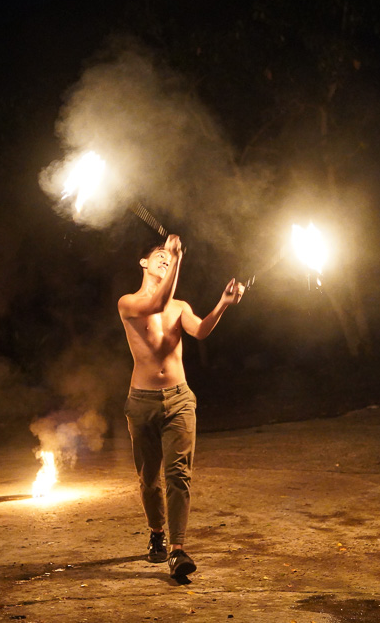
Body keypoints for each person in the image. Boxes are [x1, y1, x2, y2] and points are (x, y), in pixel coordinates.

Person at [118, 234, 245, 579]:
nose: (163, 259)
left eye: (167, 256)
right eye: (157, 255)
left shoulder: (180, 306)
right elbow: (156, 305)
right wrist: (176, 259)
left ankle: (177, 549)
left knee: (178, 475)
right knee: (148, 479)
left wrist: (222, 304)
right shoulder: (128, 302)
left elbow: (201, 331)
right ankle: (156, 533)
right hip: (141, 403)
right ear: (143, 264)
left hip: (178, 399)